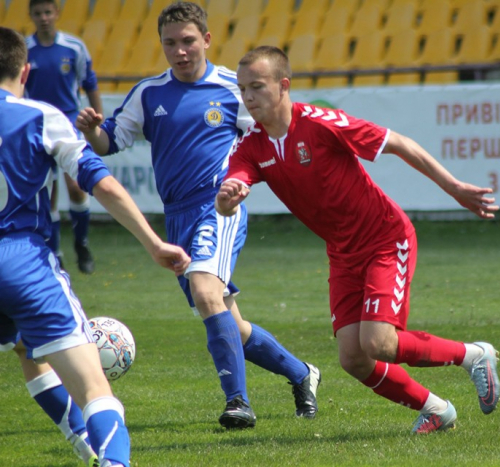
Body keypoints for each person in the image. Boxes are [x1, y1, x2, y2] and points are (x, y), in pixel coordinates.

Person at [216, 46, 500, 434]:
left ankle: (473, 355)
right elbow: (233, 190)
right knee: (353, 358)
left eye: (257, 87)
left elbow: (397, 142)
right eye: (243, 89)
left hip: (385, 237)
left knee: (379, 343)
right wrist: (227, 200)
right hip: (342, 252)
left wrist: (453, 187)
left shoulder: (319, 123)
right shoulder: (252, 145)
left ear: (283, 86)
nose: (249, 97)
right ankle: (436, 409)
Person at [76, 2, 320, 429]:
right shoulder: (149, 93)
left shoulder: (232, 87)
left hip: (219, 207)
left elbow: (271, 132)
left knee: (207, 294)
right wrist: (92, 129)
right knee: (230, 323)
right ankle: (302, 374)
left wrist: (249, 179)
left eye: (188, 41)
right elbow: (108, 143)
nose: (180, 50)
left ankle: (238, 403)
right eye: (170, 43)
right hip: (178, 220)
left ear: (206, 39)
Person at [0, 26, 191, 467]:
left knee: (28, 349)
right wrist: (153, 242)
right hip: (21, 262)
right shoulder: (38, 116)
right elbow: (99, 182)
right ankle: (110, 459)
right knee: (95, 391)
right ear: (25, 70)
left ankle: (81, 443)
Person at [25, 0, 102, 274]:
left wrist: (97, 122)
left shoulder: (74, 47)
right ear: (31, 16)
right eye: (38, 13)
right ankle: (55, 252)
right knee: (49, 194)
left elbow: (90, 85)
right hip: (37, 127)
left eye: (48, 12)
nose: (43, 18)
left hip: (69, 124)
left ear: (56, 13)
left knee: (76, 187)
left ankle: (81, 243)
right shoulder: (25, 50)